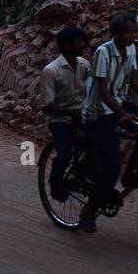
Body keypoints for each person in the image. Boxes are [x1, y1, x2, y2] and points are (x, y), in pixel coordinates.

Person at [80, 13, 138, 231]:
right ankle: (90, 209)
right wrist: (122, 114)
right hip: (98, 111)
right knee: (112, 164)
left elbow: (135, 81)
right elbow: (103, 92)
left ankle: (134, 172)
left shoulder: (131, 49)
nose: (133, 35)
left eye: (135, 31)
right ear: (115, 34)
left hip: (119, 103)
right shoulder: (103, 52)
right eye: (129, 32)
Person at [38, 26, 91, 214]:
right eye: (78, 42)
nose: (83, 45)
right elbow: (47, 106)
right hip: (60, 120)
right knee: (64, 155)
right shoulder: (51, 71)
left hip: (82, 117)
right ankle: (55, 181)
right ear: (67, 46)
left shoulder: (84, 65)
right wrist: (72, 113)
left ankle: (81, 174)